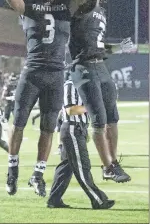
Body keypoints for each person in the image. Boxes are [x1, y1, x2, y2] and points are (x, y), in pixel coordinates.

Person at [2, 0, 97, 196]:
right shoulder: (28, 4)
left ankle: (37, 174)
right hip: (33, 71)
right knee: (19, 121)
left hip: (56, 73)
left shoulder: (65, 3)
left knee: (48, 127)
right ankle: (12, 170)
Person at [69, 0, 132, 183]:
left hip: (100, 66)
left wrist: (117, 49)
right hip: (84, 67)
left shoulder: (101, 13)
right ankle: (107, 166)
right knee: (99, 121)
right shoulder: (78, 8)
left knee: (112, 118)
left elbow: (97, 45)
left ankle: (113, 162)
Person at [47, 70, 115, 209]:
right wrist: (92, 107)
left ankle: (54, 199)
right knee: (82, 166)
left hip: (78, 128)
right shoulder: (71, 85)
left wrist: (84, 129)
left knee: (66, 167)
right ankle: (99, 200)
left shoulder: (81, 86)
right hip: (73, 128)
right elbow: (70, 110)